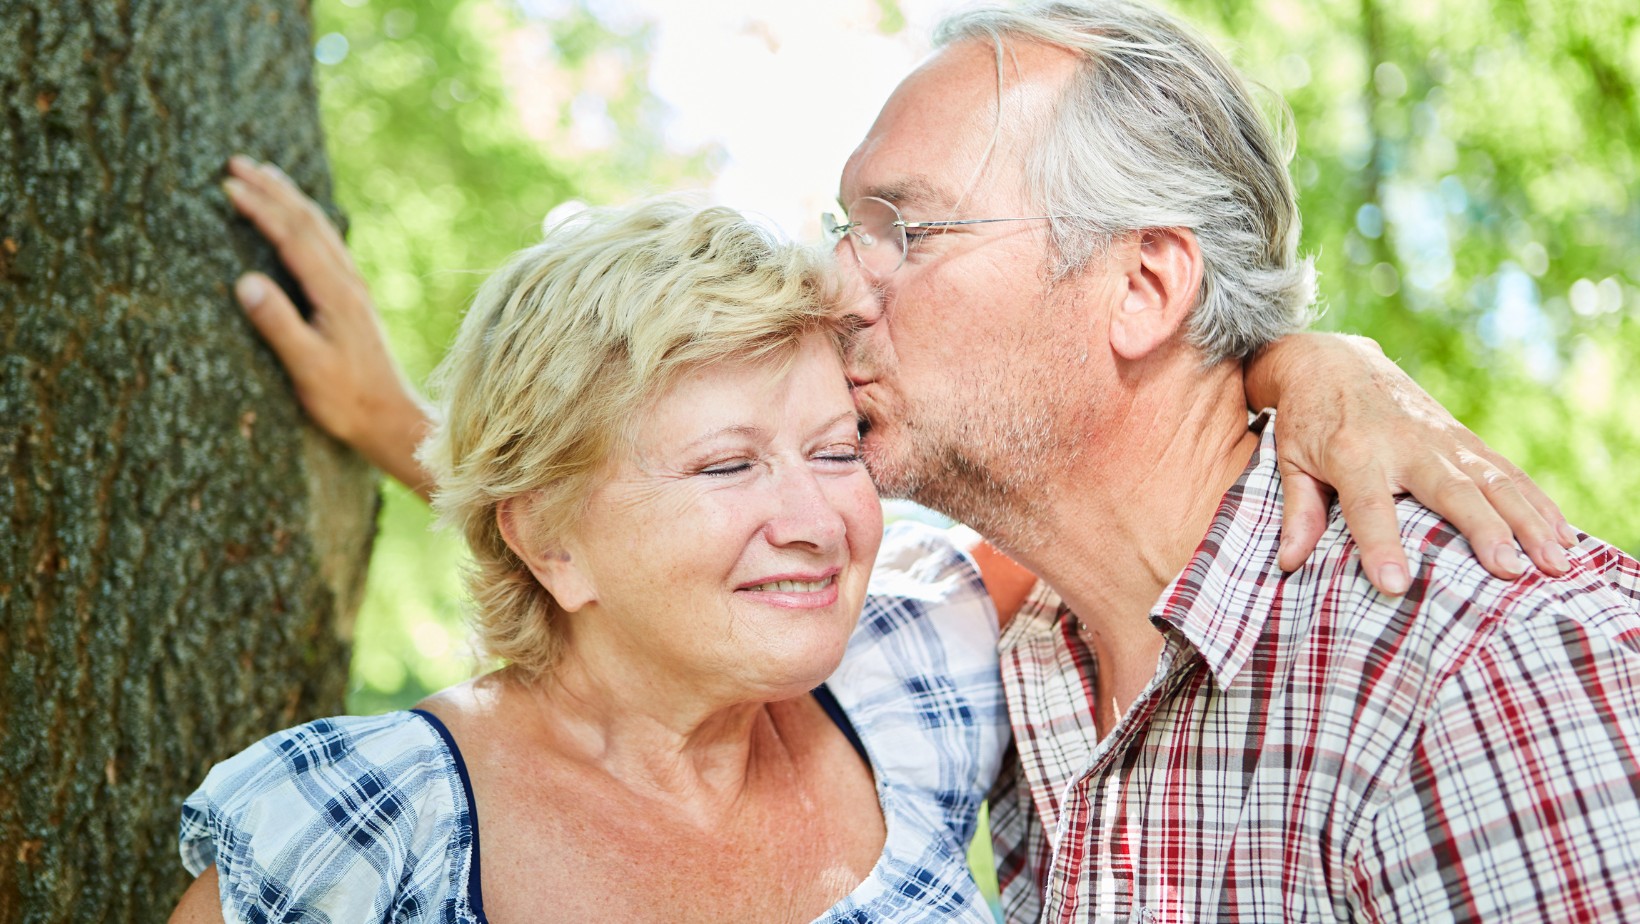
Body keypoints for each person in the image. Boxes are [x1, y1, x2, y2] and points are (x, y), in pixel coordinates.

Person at [829, 1, 1639, 920]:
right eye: (844, 228)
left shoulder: (1482, 671)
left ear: (1144, 286)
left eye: (903, 229)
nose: (834, 291)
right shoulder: (1001, 657)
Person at [171, 198, 1012, 923]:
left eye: (836, 452)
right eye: (727, 465)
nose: (818, 525)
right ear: (549, 541)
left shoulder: (906, 660)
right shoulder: (358, 829)